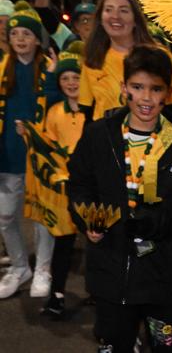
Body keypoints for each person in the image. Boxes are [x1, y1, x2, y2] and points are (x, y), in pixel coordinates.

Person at [68, 44, 172, 353]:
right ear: (123, 87)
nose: (146, 98)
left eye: (155, 89)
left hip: (164, 281)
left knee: (165, 347)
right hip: (111, 274)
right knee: (113, 346)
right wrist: (86, 218)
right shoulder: (98, 135)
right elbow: (79, 184)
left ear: (168, 93)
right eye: (138, 87)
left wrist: (157, 222)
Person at [0, 9, 60, 299]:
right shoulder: (2, 68)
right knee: (6, 216)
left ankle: (43, 269)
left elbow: (57, 104)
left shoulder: (49, 67)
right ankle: (20, 266)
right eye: (14, 34)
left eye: (26, 33)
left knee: (42, 216)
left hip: (40, 157)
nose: (20, 38)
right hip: (8, 157)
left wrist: (51, 77)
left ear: (37, 40)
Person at [79, 0, 172, 122]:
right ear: (100, 19)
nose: (115, 16)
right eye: (108, 10)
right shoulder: (93, 60)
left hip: (153, 139)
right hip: (108, 138)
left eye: (123, 10)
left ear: (136, 19)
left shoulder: (159, 55)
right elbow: (86, 111)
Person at [37, 48, 85, 318]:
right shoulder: (55, 112)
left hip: (91, 188)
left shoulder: (94, 112)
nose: (71, 83)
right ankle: (57, 294)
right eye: (65, 78)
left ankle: (98, 294)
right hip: (66, 186)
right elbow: (49, 146)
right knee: (64, 243)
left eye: (75, 77)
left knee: (100, 243)